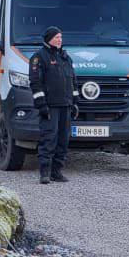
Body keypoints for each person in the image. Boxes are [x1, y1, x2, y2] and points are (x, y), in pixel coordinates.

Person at [28, 26, 80, 184]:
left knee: (63, 140)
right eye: (57, 37)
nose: (60, 40)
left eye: (61, 37)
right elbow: (35, 83)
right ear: (49, 39)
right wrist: (41, 105)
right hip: (50, 106)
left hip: (66, 105)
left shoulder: (65, 57)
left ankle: (56, 172)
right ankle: (44, 172)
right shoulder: (39, 57)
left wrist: (75, 102)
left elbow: (73, 80)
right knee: (49, 139)